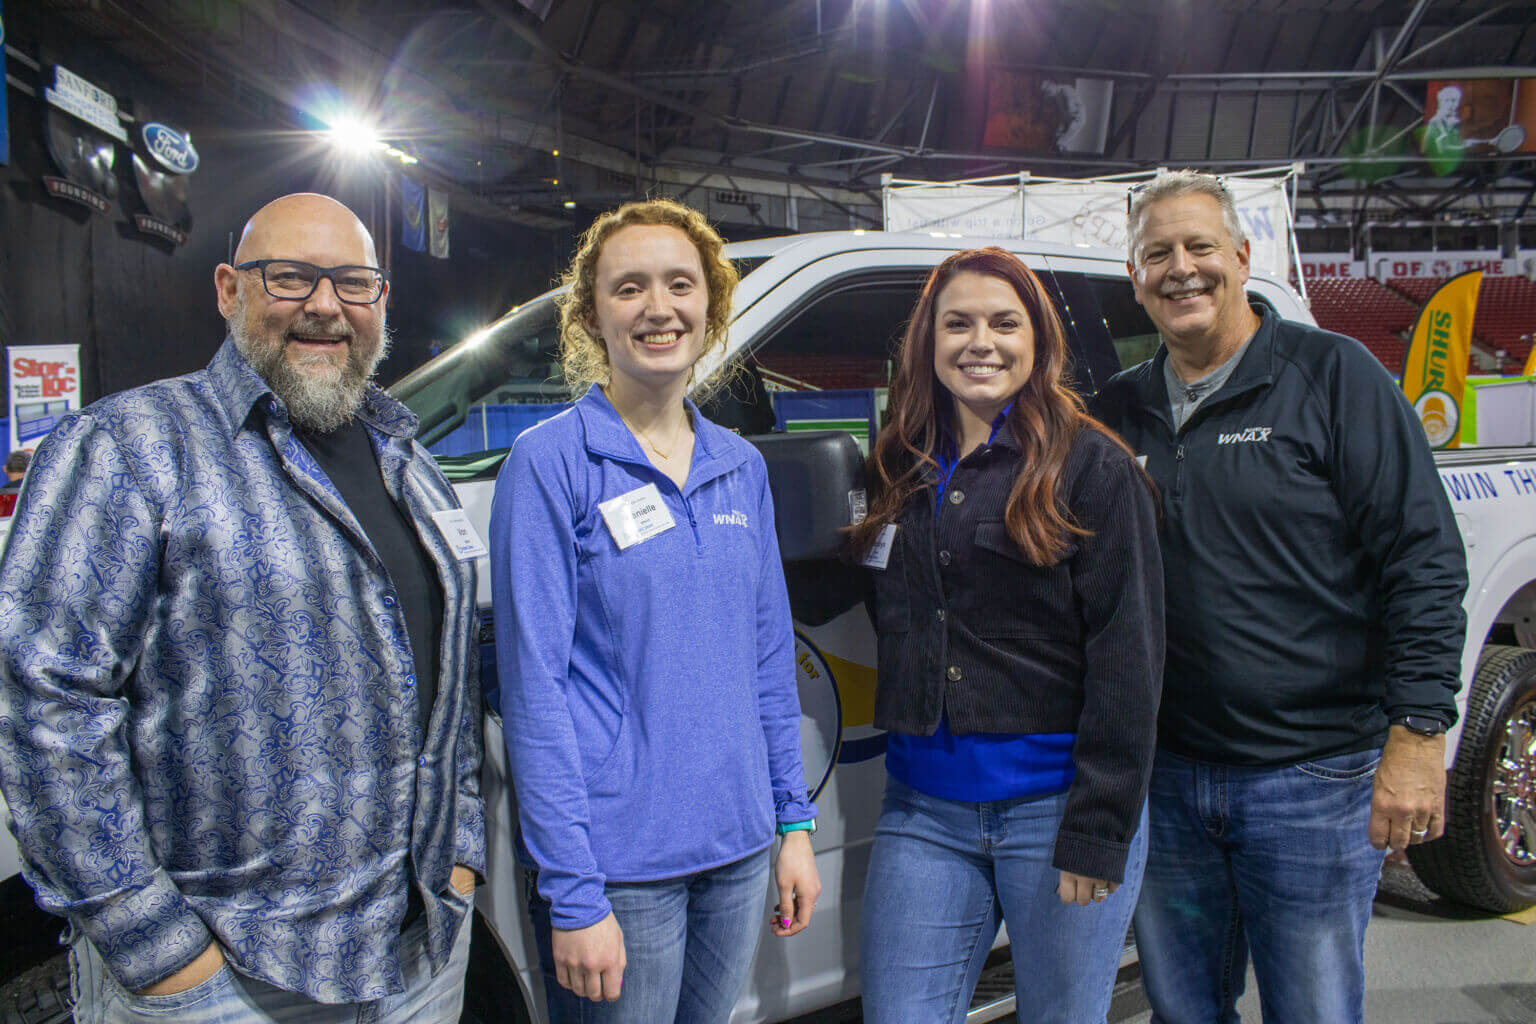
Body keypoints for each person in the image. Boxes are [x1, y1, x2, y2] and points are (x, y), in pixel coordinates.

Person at [0, 193, 484, 1023]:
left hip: (421, 952)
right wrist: (156, 951)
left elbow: (455, 680)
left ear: (379, 302)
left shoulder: (411, 463)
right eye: (291, 278)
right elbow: (44, 703)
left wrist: (462, 849)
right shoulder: (129, 446)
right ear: (229, 290)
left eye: (352, 283)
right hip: (234, 979)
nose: (325, 305)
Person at [1091, 170, 1468, 1023]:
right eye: (1158, 254)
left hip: (1314, 778)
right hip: (1170, 777)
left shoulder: (1333, 375)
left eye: (1199, 247)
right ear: (1135, 276)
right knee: (1184, 1009)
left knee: (1312, 1009)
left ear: (1242, 257)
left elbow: (1425, 560)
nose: (1181, 269)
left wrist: (1417, 738)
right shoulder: (1120, 407)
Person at [489, 197, 819, 1023]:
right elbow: (534, 695)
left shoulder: (739, 465)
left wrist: (793, 824)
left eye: (680, 284)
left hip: (740, 852)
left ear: (710, 307)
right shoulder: (550, 465)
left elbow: (769, 662)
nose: (658, 307)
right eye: (629, 288)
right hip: (620, 868)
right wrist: (573, 891)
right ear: (592, 315)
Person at [848, 247, 1164, 1024]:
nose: (979, 342)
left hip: (1056, 811)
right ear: (928, 342)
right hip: (922, 811)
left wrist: (1098, 829)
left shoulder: (1094, 467)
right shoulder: (898, 463)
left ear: (1038, 340)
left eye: (1003, 323)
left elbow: (1130, 657)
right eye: (957, 324)